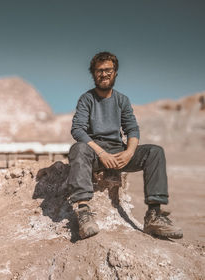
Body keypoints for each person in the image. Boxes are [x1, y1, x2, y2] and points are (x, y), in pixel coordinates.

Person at [68, 51, 183, 239]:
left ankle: (154, 215)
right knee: (78, 149)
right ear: (93, 74)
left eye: (108, 70)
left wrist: (129, 152)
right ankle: (83, 212)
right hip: (95, 154)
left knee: (154, 152)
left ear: (115, 73)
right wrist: (101, 153)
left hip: (119, 152)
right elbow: (77, 130)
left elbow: (132, 129)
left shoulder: (122, 100)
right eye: (99, 71)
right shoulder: (86, 99)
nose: (103, 74)